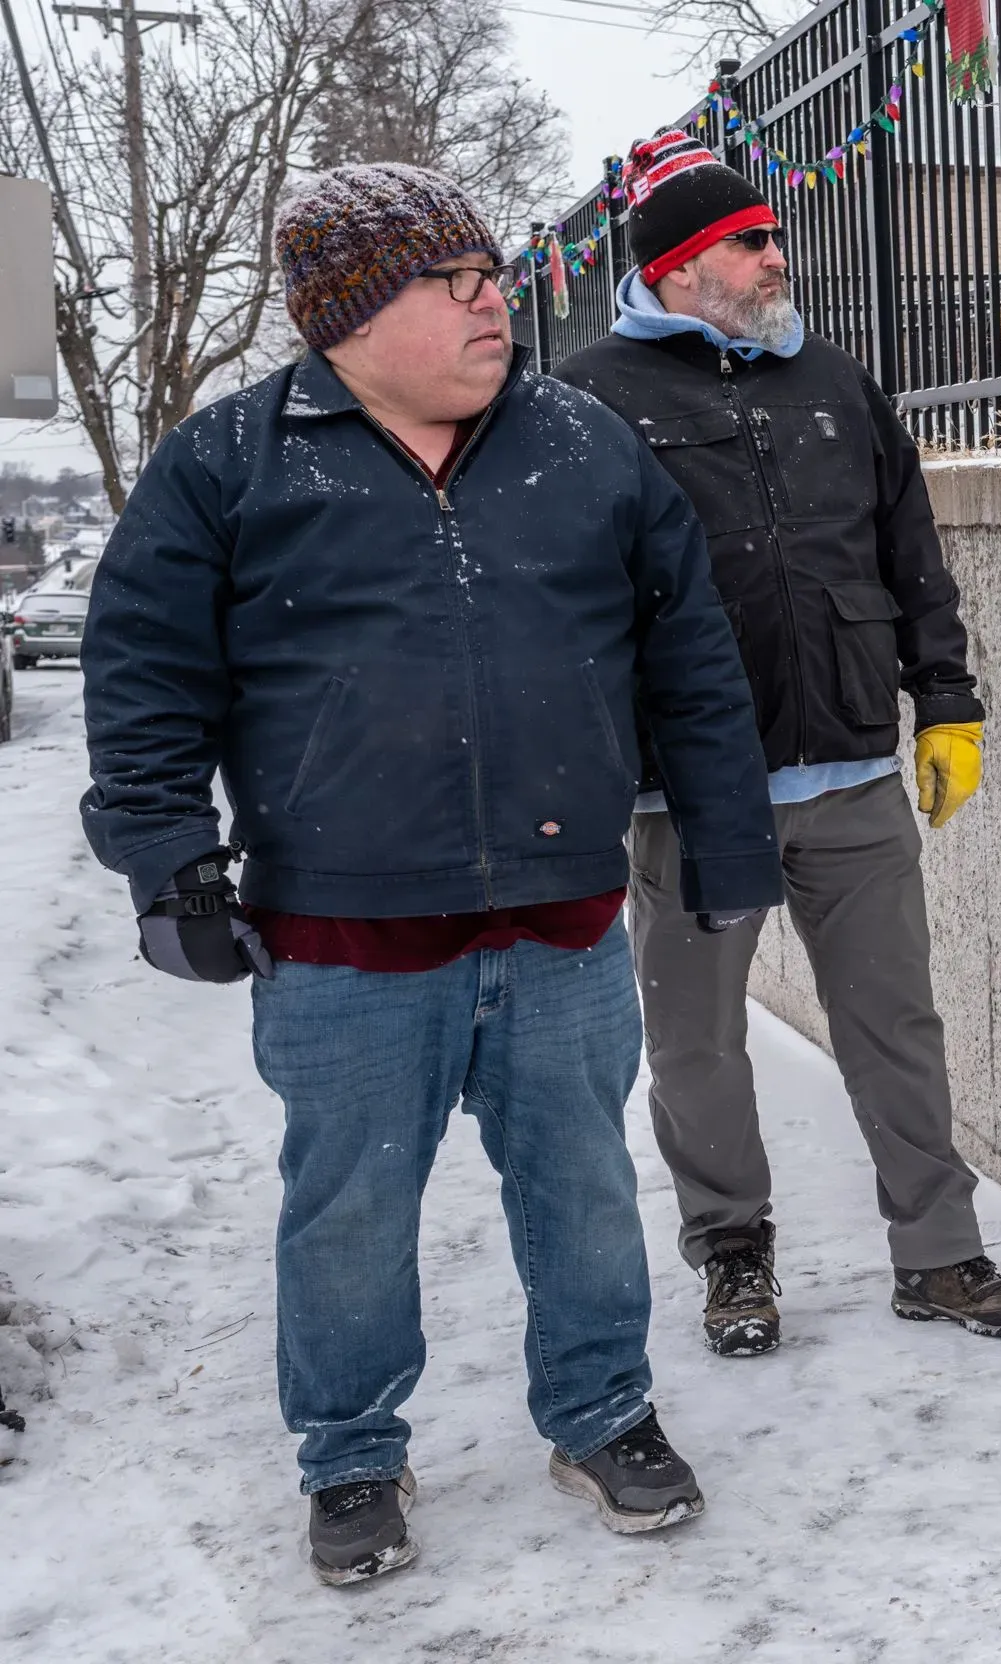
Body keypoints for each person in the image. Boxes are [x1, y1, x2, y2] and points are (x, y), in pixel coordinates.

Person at [79, 165, 784, 1584]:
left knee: (584, 1186)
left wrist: (728, 837)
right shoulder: (232, 462)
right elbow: (146, 678)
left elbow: (691, 658)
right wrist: (169, 862)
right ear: (346, 315)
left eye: (491, 274)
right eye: (452, 282)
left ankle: (602, 1411)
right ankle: (349, 1452)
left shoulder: (584, 445)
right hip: (343, 942)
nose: (493, 302)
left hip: (561, 924)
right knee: (345, 1210)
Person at [554, 130, 1001, 1357]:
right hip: (688, 792)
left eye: (775, 234)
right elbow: (564, 598)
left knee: (897, 1022)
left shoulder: (832, 378)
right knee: (696, 1038)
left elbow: (908, 551)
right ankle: (734, 1252)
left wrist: (947, 702)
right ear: (677, 267)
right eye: (750, 240)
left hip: (852, 770)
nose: (779, 255)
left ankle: (939, 1252)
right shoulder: (590, 396)